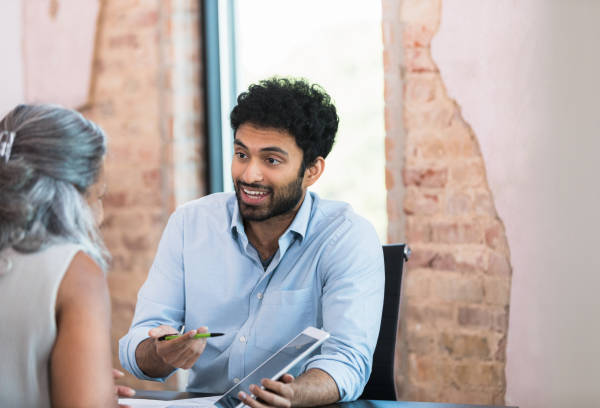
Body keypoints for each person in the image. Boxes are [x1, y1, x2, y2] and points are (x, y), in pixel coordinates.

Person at [119, 78, 384, 407]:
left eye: (271, 161)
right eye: (241, 154)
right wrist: (161, 351)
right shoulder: (190, 224)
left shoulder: (345, 237)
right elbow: (138, 345)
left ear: (312, 170)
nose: (249, 175)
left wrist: (291, 394)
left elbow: (346, 360)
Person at [0, 104, 133, 407]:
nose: (100, 217)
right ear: (70, 196)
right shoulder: (74, 272)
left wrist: (81, 379)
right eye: (98, 197)